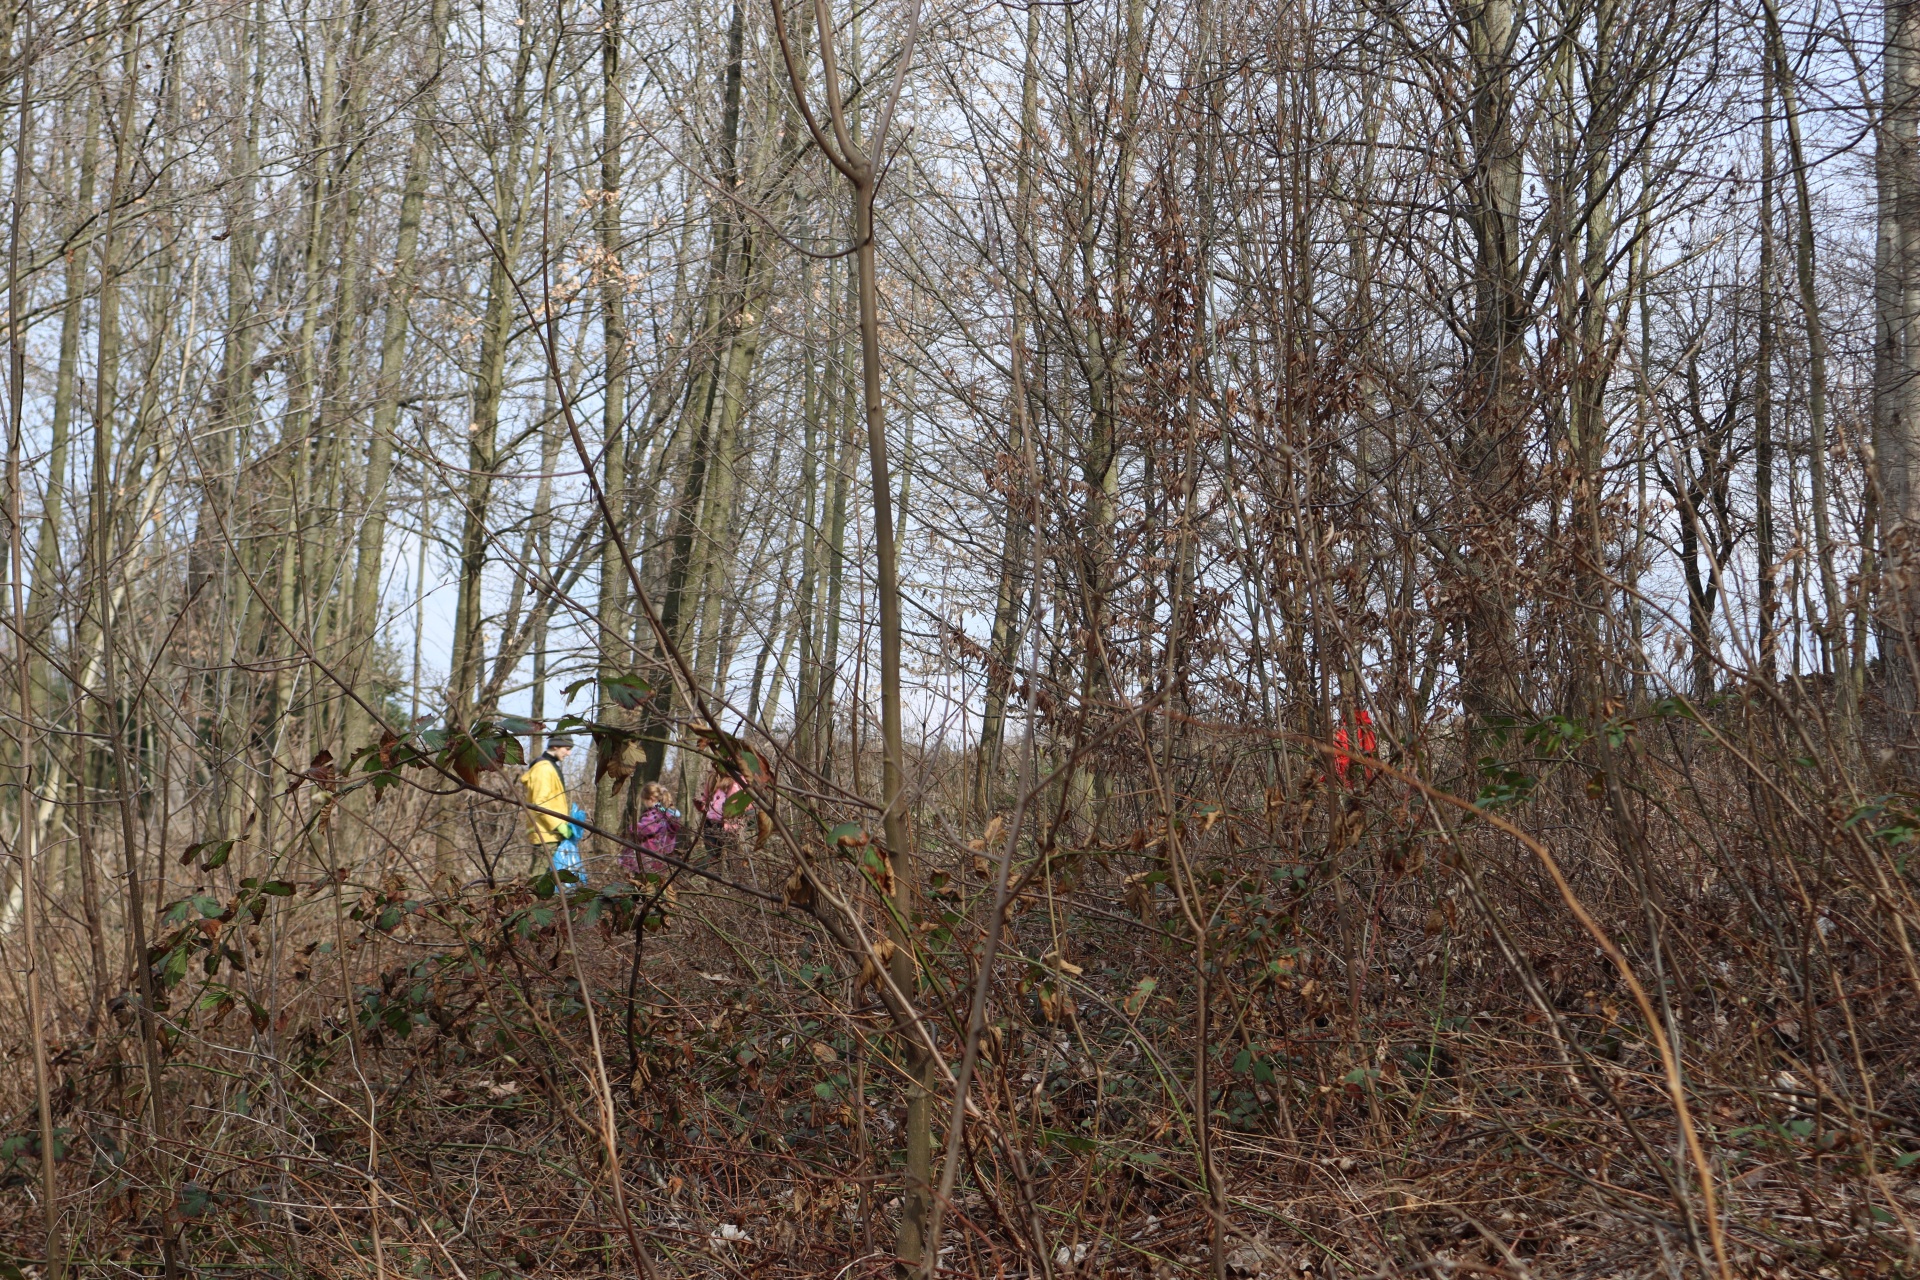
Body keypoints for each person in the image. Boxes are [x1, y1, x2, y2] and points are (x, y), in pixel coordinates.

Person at [521, 733, 579, 878]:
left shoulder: (550, 767)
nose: (569, 753)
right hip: (546, 833)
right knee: (538, 878)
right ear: (555, 746)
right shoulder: (543, 769)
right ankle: (527, 895)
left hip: (551, 834)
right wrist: (558, 825)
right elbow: (539, 803)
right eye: (567, 749)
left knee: (548, 879)